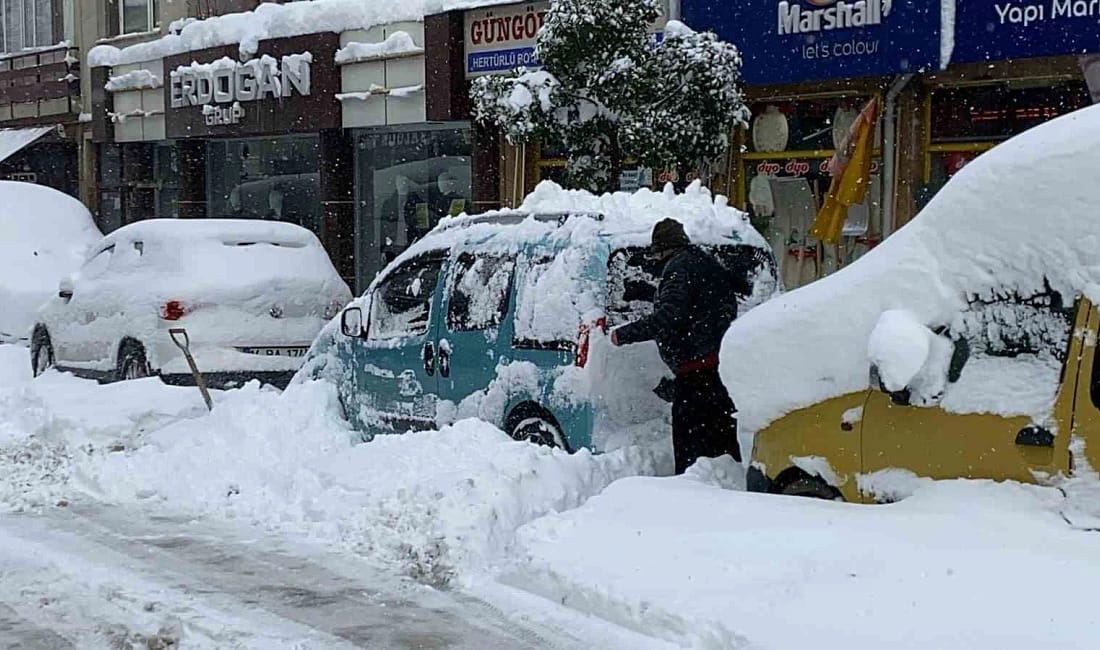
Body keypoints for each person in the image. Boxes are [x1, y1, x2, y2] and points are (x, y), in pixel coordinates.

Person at [610, 218, 743, 474]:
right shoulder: (703, 261)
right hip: (718, 366)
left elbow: (670, 315)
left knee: (689, 447)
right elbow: (701, 302)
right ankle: (727, 489)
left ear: (663, 249)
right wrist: (649, 293)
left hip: (695, 371)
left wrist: (623, 334)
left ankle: (687, 494)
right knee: (722, 440)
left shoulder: (678, 268)